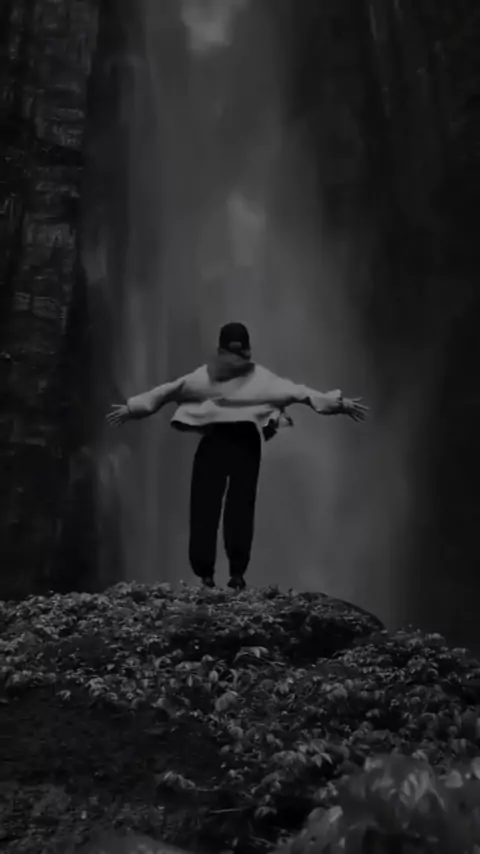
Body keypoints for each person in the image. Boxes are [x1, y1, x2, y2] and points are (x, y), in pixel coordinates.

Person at [106, 322, 368, 590]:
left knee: (212, 506)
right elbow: (301, 393)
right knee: (232, 507)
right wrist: (337, 404)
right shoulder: (255, 379)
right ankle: (232, 574)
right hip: (240, 442)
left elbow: (166, 391)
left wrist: (133, 408)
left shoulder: (206, 378)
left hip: (222, 442)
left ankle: (213, 575)